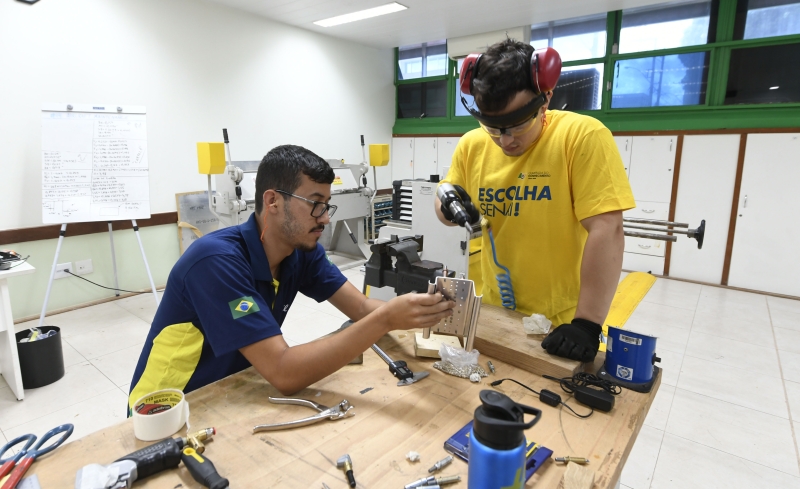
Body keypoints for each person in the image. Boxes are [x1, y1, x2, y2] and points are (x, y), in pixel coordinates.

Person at [128, 145, 454, 413]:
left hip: (233, 390)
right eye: (315, 204)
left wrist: (417, 310)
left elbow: (362, 310)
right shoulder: (215, 262)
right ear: (273, 201)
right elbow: (284, 372)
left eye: (327, 205)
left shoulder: (300, 251)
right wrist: (385, 318)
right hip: (169, 408)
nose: (325, 218)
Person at [435, 38, 634, 362]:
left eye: (517, 125)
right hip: (492, 312)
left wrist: (587, 322)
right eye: (493, 126)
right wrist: (446, 205)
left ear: (546, 100)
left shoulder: (581, 137)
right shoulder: (472, 145)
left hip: (562, 323)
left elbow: (607, 228)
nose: (505, 140)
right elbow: (445, 201)